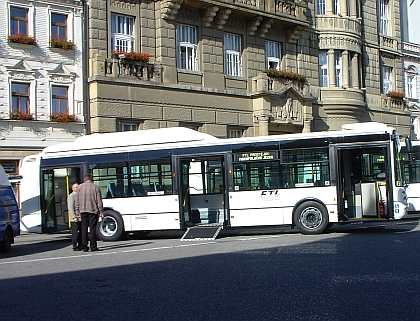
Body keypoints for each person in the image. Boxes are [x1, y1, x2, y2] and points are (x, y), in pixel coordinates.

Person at [75, 173, 104, 252]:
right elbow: (99, 201)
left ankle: (84, 246)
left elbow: (77, 201)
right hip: (93, 210)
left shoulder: (79, 187)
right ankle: (93, 246)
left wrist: (77, 211)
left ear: (84, 179)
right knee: (92, 229)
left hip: (83, 210)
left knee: (84, 228)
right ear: (92, 179)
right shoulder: (96, 187)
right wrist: (101, 211)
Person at [68, 182, 81, 251]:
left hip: (80, 216)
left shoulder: (80, 195)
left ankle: (80, 245)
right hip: (75, 218)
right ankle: (75, 246)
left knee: (81, 232)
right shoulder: (71, 196)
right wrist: (74, 217)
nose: (77, 188)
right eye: (76, 187)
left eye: (78, 187)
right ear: (73, 188)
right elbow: (70, 207)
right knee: (75, 233)